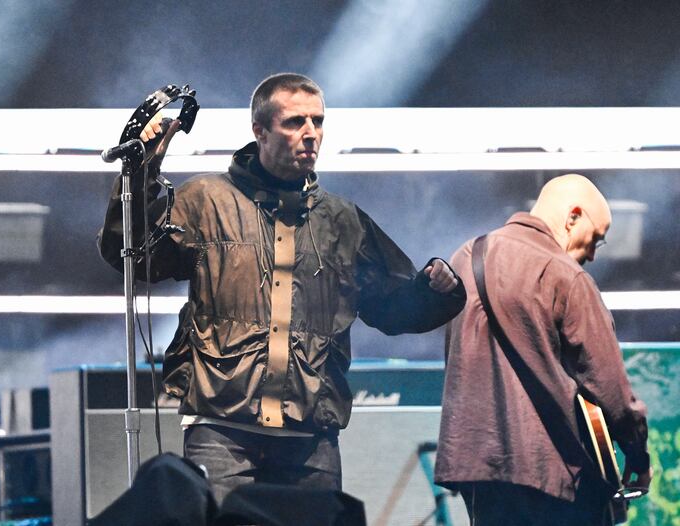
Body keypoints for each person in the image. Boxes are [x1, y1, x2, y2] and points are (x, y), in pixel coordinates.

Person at [98, 73, 466, 503]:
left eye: (318, 121)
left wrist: (434, 289)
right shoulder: (206, 200)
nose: (311, 133)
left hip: (310, 439)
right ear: (260, 130)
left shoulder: (344, 221)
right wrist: (140, 176)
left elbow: (392, 309)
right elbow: (131, 254)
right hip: (221, 433)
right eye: (295, 122)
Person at [434, 174, 652, 525]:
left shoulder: (464, 258)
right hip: (550, 475)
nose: (593, 255)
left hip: (479, 471)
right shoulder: (565, 275)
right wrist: (638, 458)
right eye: (596, 238)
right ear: (573, 216)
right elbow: (611, 389)